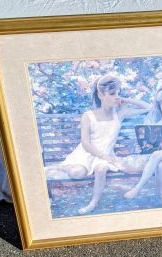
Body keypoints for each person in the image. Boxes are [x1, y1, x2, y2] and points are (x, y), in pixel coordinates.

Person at [54, 75, 151, 215]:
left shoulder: (120, 113)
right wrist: (103, 156)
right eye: (112, 94)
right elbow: (86, 144)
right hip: (87, 153)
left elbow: (149, 107)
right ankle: (64, 166)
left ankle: (92, 204)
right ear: (100, 95)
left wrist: (125, 99)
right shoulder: (88, 116)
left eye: (118, 93)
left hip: (106, 156)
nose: (116, 97)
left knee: (101, 168)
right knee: (77, 173)